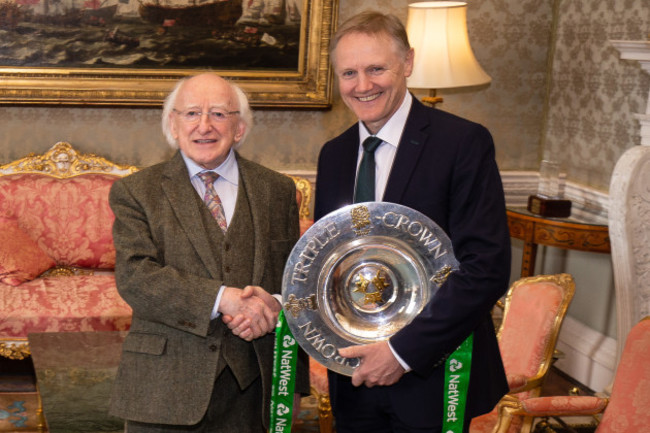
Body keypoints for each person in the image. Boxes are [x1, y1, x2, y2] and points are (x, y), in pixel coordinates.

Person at [313, 11, 512, 433]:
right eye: (349, 72)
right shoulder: (334, 154)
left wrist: (401, 353)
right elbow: (328, 268)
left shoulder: (462, 142)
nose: (362, 85)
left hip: (433, 376)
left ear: (407, 63)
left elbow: (485, 268)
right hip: (354, 378)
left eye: (376, 69)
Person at [108, 73, 308, 433]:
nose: (204, 126)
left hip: (254, 388)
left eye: (218, 114)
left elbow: (295, 283)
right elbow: (135, 277)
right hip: (163, 389)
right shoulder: (136, 191)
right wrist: (224, 299)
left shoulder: (277, 191)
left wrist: (292, 380)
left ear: (240, 127)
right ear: (173, 123)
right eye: (191, 114)